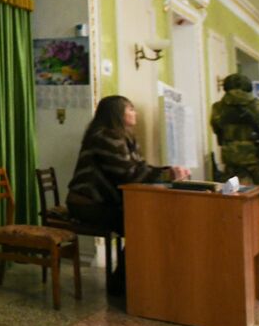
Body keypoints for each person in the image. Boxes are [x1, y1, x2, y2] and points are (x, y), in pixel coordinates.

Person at [67, 95, 188, 296]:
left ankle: (129, 279)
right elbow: (127, 173)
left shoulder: (123, 136)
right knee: (142, 226)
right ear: (117, 113)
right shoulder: (105, 137)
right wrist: (167, 173)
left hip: (102, 203)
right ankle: (121, 283)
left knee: (144, 223)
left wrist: (168, 171)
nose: (135, 113)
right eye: (130, 109)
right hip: (87, 205)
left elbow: (139, 168)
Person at [210, 73, 259, 246]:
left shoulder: (218, 107)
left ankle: (233, 229)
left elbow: (217, 130)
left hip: (232, 157)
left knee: (232, 193)